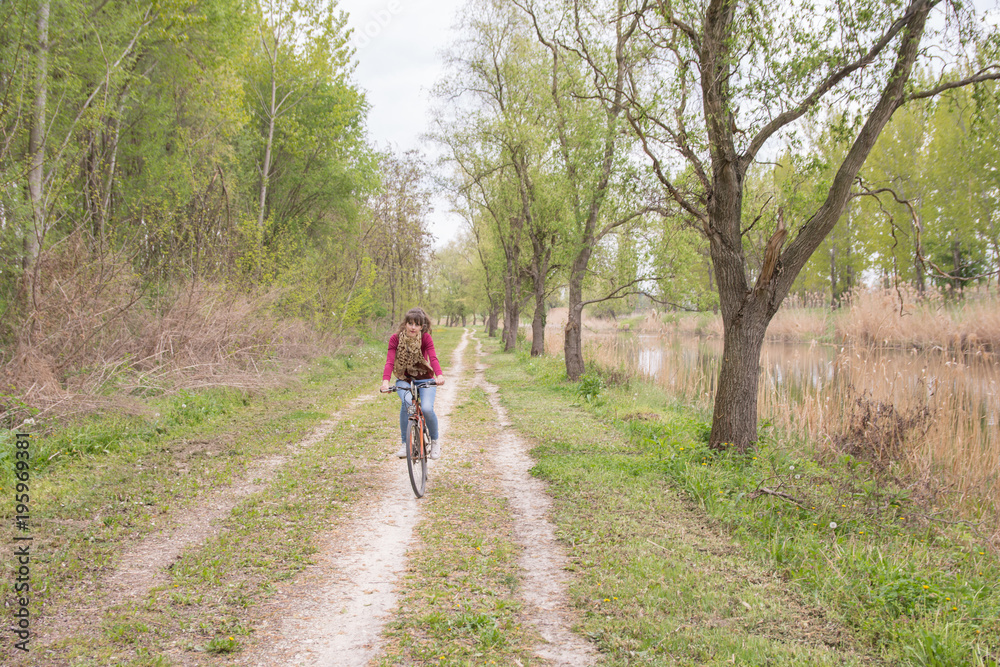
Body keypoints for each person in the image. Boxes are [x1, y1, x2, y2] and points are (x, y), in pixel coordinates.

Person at [381, 307, 446, 459]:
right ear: (405, 324)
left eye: (416, 324)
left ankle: (435, 442)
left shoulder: (426, 338)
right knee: (408, 404)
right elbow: (390, 362)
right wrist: (385, 382)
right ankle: (405, 444)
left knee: (427, 409)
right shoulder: (395, 339)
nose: (413, 327)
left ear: (421, 327)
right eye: (410, 323)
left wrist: (439, 375)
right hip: (404, 379)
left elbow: (433, 358)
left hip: (425, 379)